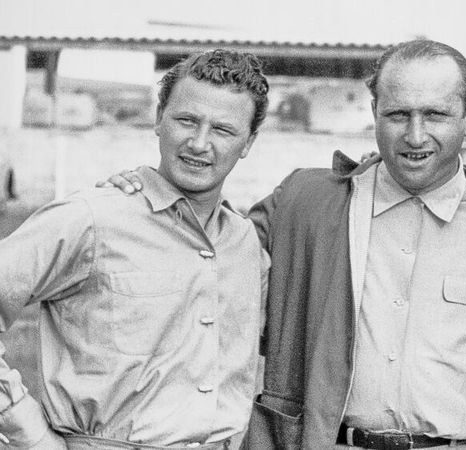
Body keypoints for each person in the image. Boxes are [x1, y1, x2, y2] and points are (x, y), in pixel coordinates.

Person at [106, 39, 466, 449]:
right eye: (397, 115)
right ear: (374, 111)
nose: (414, 135)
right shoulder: (305, 202)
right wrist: (149, 195)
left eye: (435, 115)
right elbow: (200, 256)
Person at [0, 49, 271, 449]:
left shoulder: (245, 244)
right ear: (158, 118)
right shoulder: (91, 218)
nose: (199, 143)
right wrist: (33, 436)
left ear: (248, 142)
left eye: (223, 130)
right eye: (186, 120)